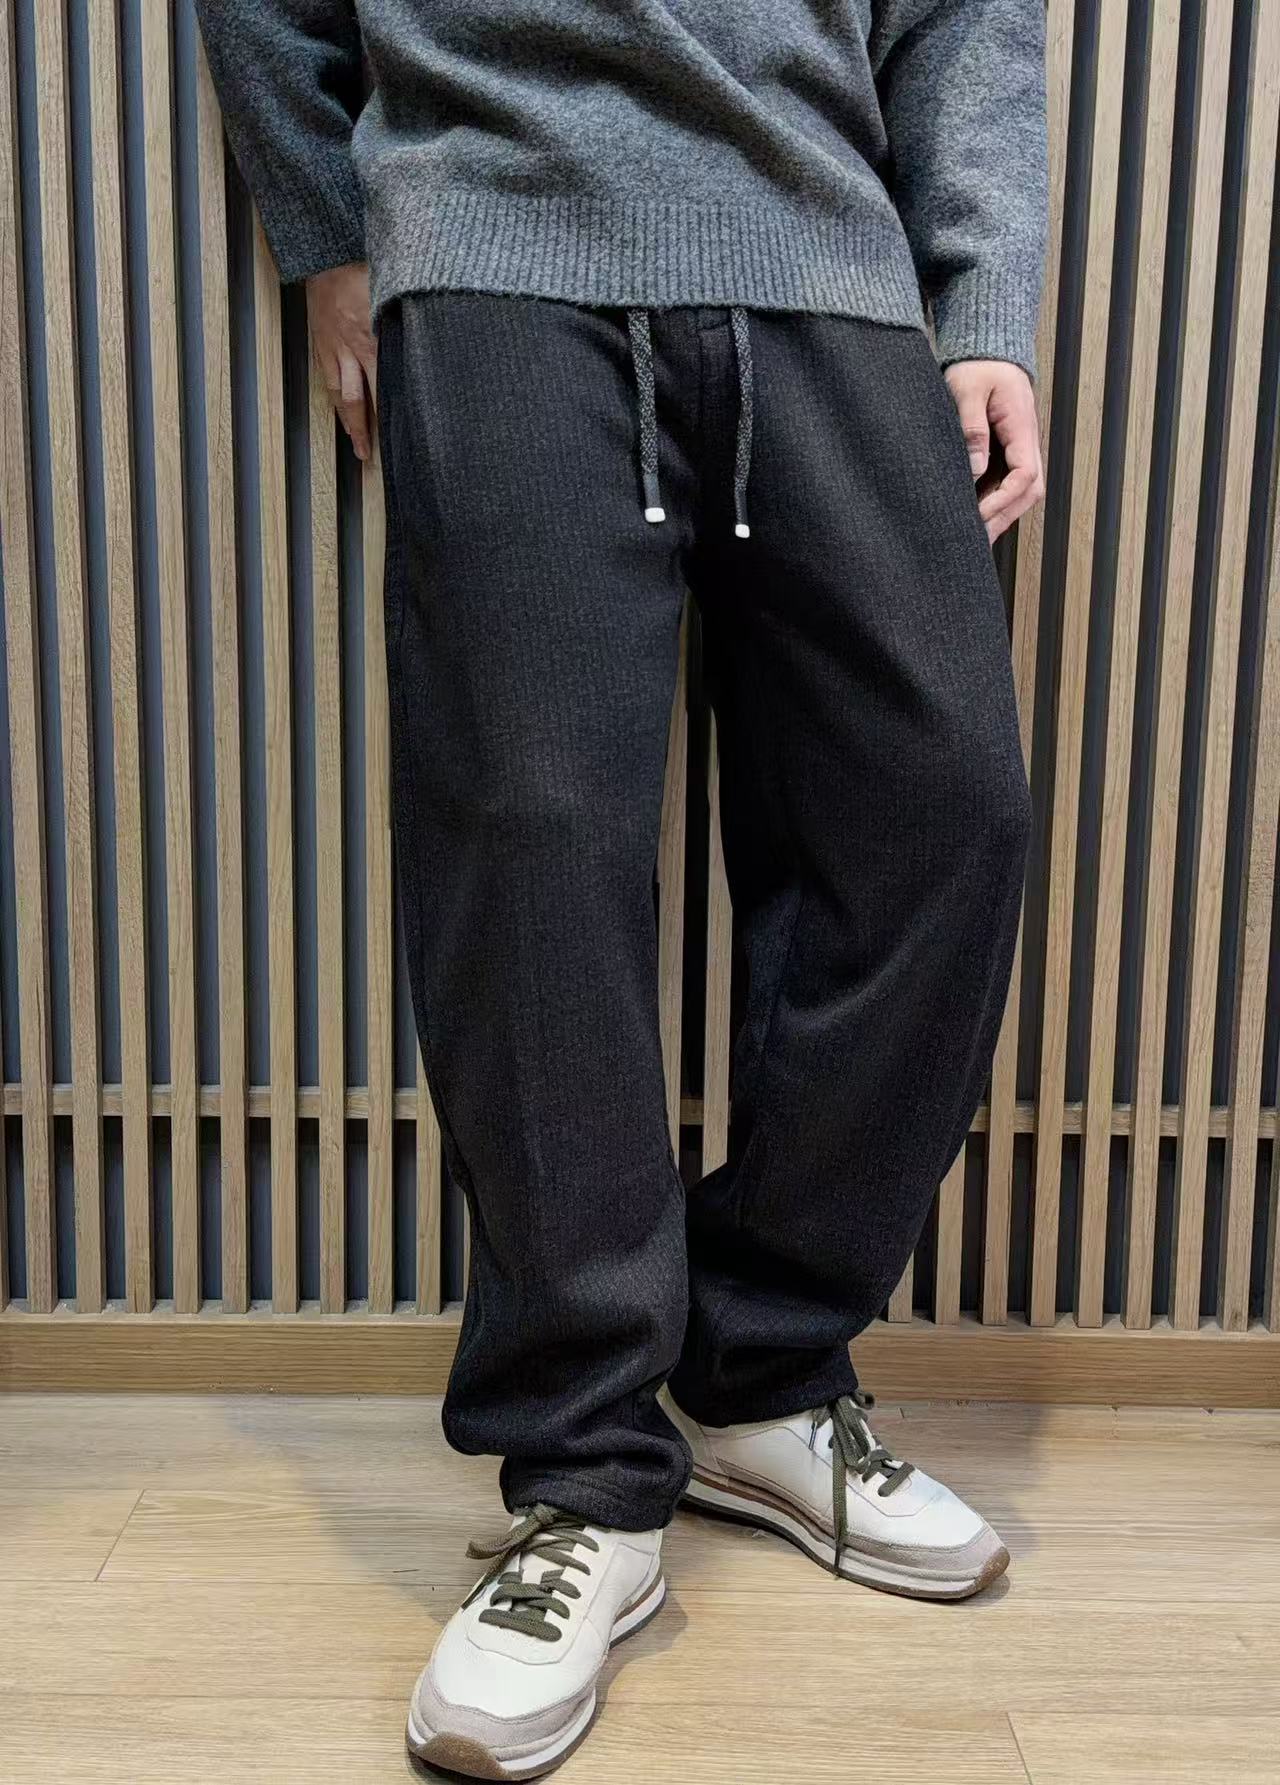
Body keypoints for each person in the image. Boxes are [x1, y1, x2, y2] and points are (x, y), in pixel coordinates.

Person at [195, 2, 1047, 1776]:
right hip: (495, 222)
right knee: (530, 844)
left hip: (827, 245)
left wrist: (984, 298)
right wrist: (331, 231)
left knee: (944, 801)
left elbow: (970, 16)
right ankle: (584, 1469)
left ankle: (762, 1367)